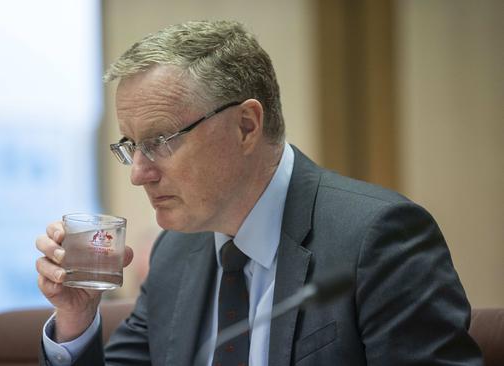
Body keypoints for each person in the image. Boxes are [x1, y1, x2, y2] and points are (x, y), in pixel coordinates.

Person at [35, 20, 483, 365]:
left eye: (161, 141)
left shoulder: (377, 239)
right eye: (131, 146)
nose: (138, 174)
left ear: (246, 126)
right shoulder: (175, 254)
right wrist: (77, 317)